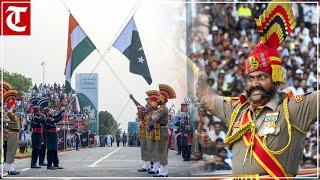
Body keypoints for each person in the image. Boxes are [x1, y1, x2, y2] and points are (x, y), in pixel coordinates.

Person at [196, 1, 318, 178]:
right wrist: (197, 75)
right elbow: (206, 98)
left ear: (276, 78)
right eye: (251, 78)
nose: (254, 84)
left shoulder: (294, 108)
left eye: (262, 77)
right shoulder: (237, 109)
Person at [152, 84, 176, 177]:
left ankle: (164, 171)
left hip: (162, 130)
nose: (157, 100)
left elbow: (154, 118)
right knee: (161, 151)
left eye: (159, 99)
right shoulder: (161, 108)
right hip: (161, 130)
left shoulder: (162, 108)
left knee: (162, 151)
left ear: (162, 100)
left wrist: (154, 114)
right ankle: (162, 171)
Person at [5, 110, 20, 175]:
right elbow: (11, 115)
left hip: (15, 133)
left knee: (13, 152)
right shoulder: (9, 117)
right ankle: (10, 169)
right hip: (12, 133)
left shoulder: (13, 117)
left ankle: (11, 168)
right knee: (10, 151)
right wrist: (11, 111)